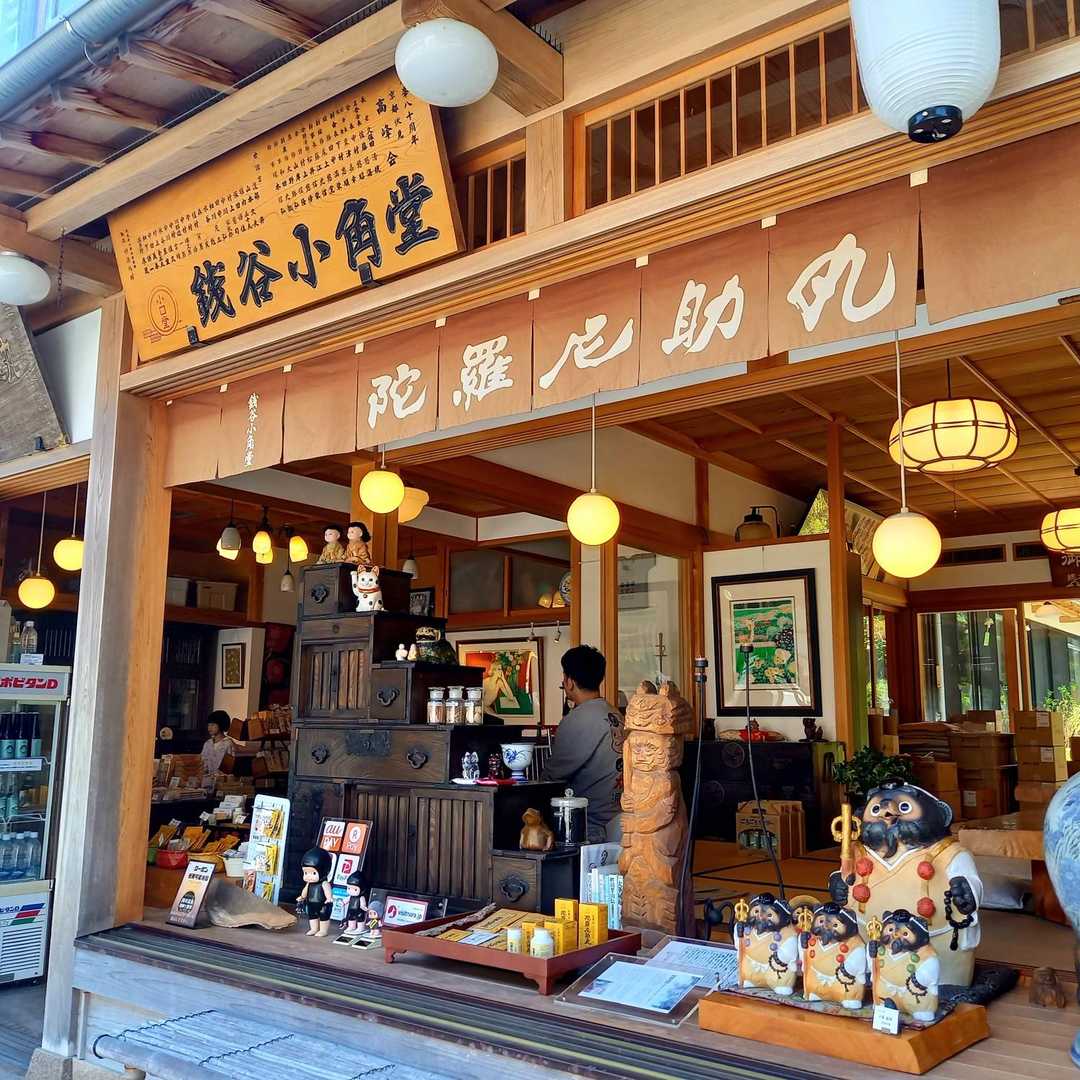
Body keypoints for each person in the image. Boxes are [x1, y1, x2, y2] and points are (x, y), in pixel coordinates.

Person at [541, 645, 624, 844]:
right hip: (619, 819)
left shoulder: (577, 720)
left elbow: (551, 777)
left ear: (569, 682)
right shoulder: (616, 714)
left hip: (589, 826)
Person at [200, 710, 236, 775]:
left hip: (222, 779)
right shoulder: (207, 743)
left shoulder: (228, 743)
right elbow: (202, 763)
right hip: (208, 778)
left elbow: (230, 767)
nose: (209, 727)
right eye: (208, 725)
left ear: (221, 724)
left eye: (212, 725)